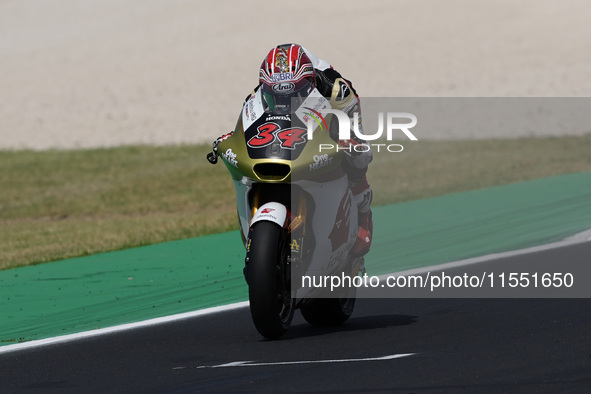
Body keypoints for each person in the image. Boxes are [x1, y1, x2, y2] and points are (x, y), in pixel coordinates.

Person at [217, 43, 373, 257]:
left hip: (336, 110)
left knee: (361, 156)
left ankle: (363, 212)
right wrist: (233, 139)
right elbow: (247, 124)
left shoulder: (335, 88)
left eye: (293, 93)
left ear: (309, 84)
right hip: (282, 134)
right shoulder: (260, 92)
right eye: (275, 96)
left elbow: (354, 127)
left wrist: (349, 141)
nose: (283, 101)